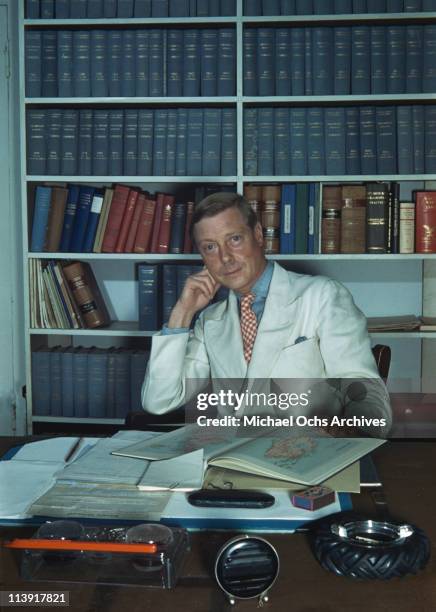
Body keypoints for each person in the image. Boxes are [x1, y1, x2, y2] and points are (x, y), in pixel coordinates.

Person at [142, 192, 392, 436]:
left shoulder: (321, 295)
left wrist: (352, 437)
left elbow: (361, 386)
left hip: (308, 459)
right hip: (235, 463)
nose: (225, 257)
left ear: (259, 235)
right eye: (210, 247)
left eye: (235, 239)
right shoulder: (210, 321)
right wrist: (182, 314)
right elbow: (159, 401)